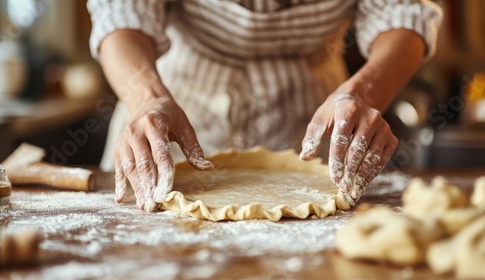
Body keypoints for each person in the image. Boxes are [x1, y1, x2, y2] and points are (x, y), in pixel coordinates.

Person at [87, 0, 442, 212]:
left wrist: (363, 93)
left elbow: (404, 12)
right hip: (178, 96)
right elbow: (121, 14)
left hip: (314, 109)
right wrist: (148, 100)